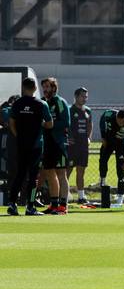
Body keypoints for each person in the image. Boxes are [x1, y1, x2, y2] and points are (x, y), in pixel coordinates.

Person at [6, 78, 53, 216]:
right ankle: (30, 207)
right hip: (36, 144)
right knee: (33, 176)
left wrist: (19, 136)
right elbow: (50, 124)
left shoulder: (17, 103)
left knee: (20, 174)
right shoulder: (41, 104)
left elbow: (12, 124)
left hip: (21, 144)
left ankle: (12, 204)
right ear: (36, 89)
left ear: (23, 88)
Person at [40, 77, 71, 215]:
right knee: (49, 174)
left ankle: (63, 206)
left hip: (59, 143)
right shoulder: (43, 102)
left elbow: (66, 122)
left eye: (47, 86)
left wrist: (49, 124)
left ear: (54, 88)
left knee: (61, 174)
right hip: (47, 144)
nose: (45, 89)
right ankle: (54, 204)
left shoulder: (60, 102)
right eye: (43, 87)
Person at [99, 109, 124, 207]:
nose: (121, 124)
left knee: (120, 170)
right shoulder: (110, 114)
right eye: (120, 122)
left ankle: (120, 199)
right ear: (117, 117)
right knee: (102, 161)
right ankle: (103, 185)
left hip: (121, 146)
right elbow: (102, 120)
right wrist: (103, 137)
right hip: (108, 142)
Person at [67, 87, 93, 204]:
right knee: (67, 171)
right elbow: (66, 125)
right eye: (82, 96)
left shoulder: (88, 111)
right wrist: (68, 138)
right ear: (76, 97)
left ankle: (81, 197)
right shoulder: (69, 109)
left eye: (86, 97)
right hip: (72, 146)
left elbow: (90, 125)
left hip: (83, 146)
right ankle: (64, 195)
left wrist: (89, 137)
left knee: (81, 171)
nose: (84, 99)